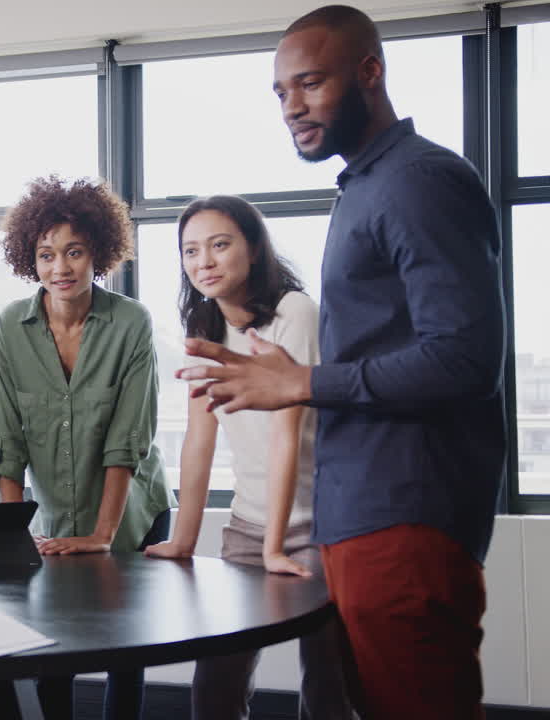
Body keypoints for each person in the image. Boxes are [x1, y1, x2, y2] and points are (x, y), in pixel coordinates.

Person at [177, 7, 504, 718]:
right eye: (280, 92)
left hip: (405, 518)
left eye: (311, 83)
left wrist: (300, 382)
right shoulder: (366, 188)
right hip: (361, 519)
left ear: (370, 73)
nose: (292, 106)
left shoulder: (418, 181)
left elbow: (465, 359)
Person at [144, 195, 352, 720]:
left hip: (321, 527)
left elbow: (288, 432)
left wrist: (277, 548)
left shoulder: (293, 312)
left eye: (220, 245)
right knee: (215, 680)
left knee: (329, 684)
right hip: (247, 523)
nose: (204, 262)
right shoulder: (206, 324)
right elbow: (199, 439)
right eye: (190, 251)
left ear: (254, 250)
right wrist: (184, 539)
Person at [0, 175, 175, 720]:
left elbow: (128, 440)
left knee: (125, 650)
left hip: (133, 512)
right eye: (46, 255)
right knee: (50, 649)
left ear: (99, 253)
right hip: (53, 517)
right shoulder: (11, 327)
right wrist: (11, 532)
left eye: (74, 252)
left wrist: (103, 535)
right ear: (30, 259)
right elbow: (7, 437)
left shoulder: (131, 323)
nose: (60, 268)